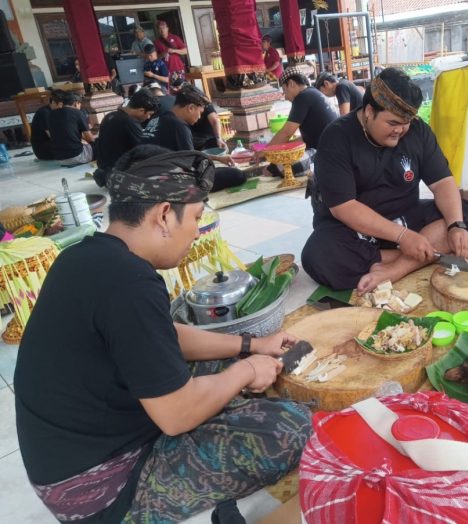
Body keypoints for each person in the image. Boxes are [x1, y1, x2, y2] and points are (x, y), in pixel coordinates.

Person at [14, 145, 312, 523]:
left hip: (80, 450)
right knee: (291, 426)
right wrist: (247, 371)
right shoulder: (130, 283)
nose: (197, 231)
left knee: (221, 361)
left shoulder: (84, 257)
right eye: (197, 217)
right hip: (102, 489)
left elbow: (163, 335)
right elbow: (176, 415)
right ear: (165, 215)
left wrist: (251, 345)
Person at [301, 67, 468, 292]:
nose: (401, 130)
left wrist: (456, 225)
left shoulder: (417, 132)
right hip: (355, 230)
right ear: (369, 111)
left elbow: (442, 182)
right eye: (393, 123)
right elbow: (344, 208)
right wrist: (404, 237)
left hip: (406, 218)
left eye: (406, 122)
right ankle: (427, 253)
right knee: (319, 255)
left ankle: (395, 268)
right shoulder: (336, 138)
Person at [144, 86, 246, 191]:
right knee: (237, 175)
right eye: (200, 113)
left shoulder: (158, 118)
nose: (199, 117)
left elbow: (190, 154)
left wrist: (218, 158)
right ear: (191, 108)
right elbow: (191, 161)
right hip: (166, 182)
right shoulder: (179, 126)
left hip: (146, 176)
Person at [93, 88, 160, 186]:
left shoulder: (109, 116)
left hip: (106, 167)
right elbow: (145, 149)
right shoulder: (129, 122)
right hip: (120, 172)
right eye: (149, 114)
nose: (148, 117)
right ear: (141, 110)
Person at [48, 92, 94, 166]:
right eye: (80, 104)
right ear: (76, 103)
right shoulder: (77, 113)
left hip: (60, 159)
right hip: (77, 156)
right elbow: (90, 139)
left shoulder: (52, 114)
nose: (80, 107)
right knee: (100, 143)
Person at [30, 89, 64, 160]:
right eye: (61, 104)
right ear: (54, 102)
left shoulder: (56, 111)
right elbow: (52, 136)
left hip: (52, 144)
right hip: (43, 150)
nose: (62, 107)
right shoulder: (44, 113)